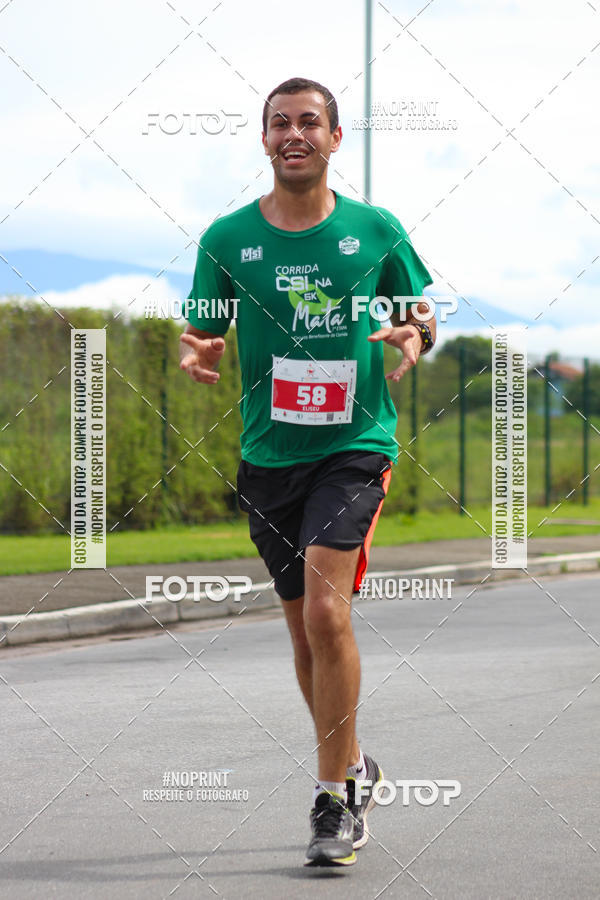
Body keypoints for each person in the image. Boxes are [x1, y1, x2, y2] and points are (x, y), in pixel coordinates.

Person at [180, 76, 435, 867]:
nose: (295, 134)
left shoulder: (374, 229)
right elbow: (200, 327)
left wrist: (414, 338)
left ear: (333, 140)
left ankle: (333, 801)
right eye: (280, 123)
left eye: (310, 123)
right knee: (302, 630)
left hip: (355, 447)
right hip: (268, 457)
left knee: (328, 616)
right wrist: (202, 350)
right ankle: (355, 765)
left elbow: (421, 309)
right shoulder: (226, 240)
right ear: (264, 140)